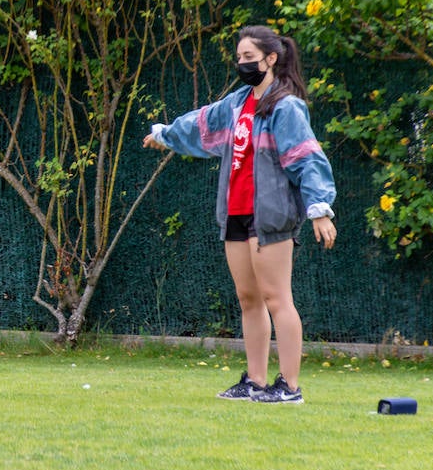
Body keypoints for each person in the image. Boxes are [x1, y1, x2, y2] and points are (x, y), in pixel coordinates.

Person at [143, 24, 337, 404]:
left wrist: (320, 210)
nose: (242, 64)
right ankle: (256, 381)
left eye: (249, 58)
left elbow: (306, 158)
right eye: (239, 59)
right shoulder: (236, 104)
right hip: (235, 213)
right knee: (248, 297)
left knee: (277, 297)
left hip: (271, 216)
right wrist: (165, 134)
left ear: (271, 58)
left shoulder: (286, 107)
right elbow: (201, 123)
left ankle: (290, 387)